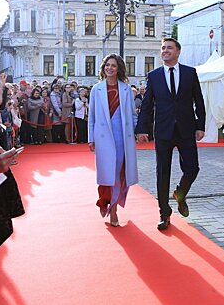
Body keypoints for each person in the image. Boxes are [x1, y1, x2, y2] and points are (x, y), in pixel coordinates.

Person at [136, 37, 206, 230]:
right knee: (162, 173)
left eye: (169, 48)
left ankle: (180, 193)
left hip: (186, 129)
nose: (165, 50)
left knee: (192, 168)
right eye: (163, 48)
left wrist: (201, 125)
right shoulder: (154, 75)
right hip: (163, 131)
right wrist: (142, 129)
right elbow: (147, 105)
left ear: (178, 52)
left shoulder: (190, 73)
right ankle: (164, 214)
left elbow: (199, 101)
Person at [88, 54, 138, 227]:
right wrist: (90, 139)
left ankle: (114, 210)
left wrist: (136, 133)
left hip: (122, 138)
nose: (110, 68)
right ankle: (103, 200)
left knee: (118, 174)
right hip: (102, 138)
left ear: (119, 69)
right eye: (107, 65)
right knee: (104, 174)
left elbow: (132, 115)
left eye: (113, 66)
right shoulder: (96, 89)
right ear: (103, 68)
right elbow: (92, 117)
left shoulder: (125, 89)